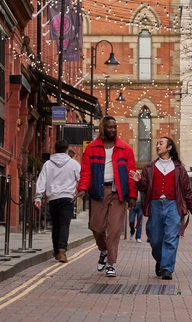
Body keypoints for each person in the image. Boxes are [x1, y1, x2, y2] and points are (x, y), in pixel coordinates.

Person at [130, 136, 192, 280]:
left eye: (161, 143)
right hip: (154, 205)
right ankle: (161, 260)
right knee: (155, 239)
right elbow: (144, 188)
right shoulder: (149, 167)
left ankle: (167, 268)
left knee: (171, 237)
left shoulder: (179, 169)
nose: (157, 146)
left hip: (173, 204)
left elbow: (187, 191)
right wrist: (138, 182)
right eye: (157, 143)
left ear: (169, 147)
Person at [76, 116, 137, 278]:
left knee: (115, 230)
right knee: (96, 227)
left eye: (114, 127)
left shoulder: (126, 149)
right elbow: (86, 172)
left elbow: (131, 174)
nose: (113, 130)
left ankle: (110, 263)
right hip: (99, 191)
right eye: (109, 127)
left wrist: (132, 195)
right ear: (103, 128)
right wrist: (82, 189)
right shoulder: (91, 148)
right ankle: (103, 250)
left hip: (118, 193)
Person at [34, 139, 81, 263]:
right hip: (68, 198)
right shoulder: (74, 164)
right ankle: (62, 251)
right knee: (64, 225)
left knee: (56, 226)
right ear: (67, 150)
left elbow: (41, 181)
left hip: (53, 199)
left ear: (55, 150)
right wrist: (79, 190)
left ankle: (56, 251)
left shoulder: (48, 164)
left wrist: (38, 197)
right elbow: (81, 178)